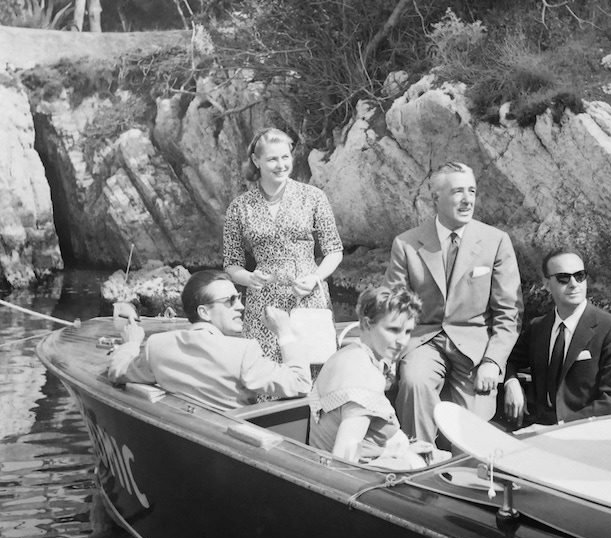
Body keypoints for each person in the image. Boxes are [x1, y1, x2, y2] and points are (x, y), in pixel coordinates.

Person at [383, 161, 523, 446]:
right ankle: (417, 462)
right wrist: (386, 356)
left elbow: (510, 313)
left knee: (471, 434)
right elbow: (393, 308)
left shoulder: (495, 241)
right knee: (414, 381)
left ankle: (464, 473)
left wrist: (493, 362)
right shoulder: (406, 244)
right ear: (436, 198)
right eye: (458, 191)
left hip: (474, 348)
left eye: (471, 191)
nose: (467, 199)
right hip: (423, 340)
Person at [108, 270, 311, 411]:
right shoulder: (244, 351)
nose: (240, 306)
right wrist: (285, 332)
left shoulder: (157, 346)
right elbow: (301, 383)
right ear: (204, 312)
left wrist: (131, 343)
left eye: (239, 297)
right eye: (230, 301)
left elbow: (117, 371)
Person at [223, 128, 343, 361]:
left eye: (285, 157)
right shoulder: (239, 207)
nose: (280, 165)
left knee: (314, 367)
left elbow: (334, 251)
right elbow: (231, 264)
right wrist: (248, 278)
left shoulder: (314, 197)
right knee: (264, 375)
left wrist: (316, 277)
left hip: (308, 296)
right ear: (256, 161)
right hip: (263, 304)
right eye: (272, 159)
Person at [504, 248, 611, 427]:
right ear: (547, 284)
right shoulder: (538, 327)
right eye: (563, 278)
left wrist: (560, 426)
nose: (574, 284)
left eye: (580, 276)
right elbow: (507, 359)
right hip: (535, 427)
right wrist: (511, 383)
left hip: (583, 434)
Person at [309, 285, 436, 467]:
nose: (402, 341)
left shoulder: (346, 354)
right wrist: (406, 460)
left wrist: (402, 450)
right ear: (368, 324)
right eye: (393, 330)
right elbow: (343, 460)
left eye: (408, 331)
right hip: (358, 483)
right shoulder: (364, 376)